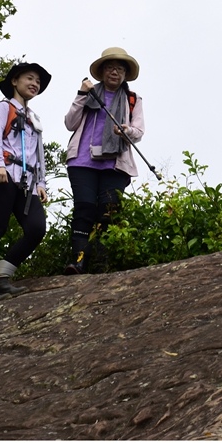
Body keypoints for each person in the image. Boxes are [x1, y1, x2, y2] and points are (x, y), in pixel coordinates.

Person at [63, 46, 145, 275]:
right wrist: (81, 94)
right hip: (82, 161)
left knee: (108, 212)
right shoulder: (89, 93)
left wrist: (126, 129)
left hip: (115, 165)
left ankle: (102, 264)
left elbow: (139, 131)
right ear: (102, 71)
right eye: (110, 68)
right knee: (85, 208)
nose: (115, 73)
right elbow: (70, 123)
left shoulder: (132, 99)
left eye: (120, 69)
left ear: (125, 74)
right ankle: (79, 261)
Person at [0, 62, 51, 303]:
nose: (34, 84)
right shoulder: (3, 108)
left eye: (37, 81)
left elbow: (38, 153)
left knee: (37, 228)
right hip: (3, 174)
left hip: (27, 182)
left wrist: (41, 182)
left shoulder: (33, 119)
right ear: (14, 82)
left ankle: (3, 276)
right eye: (29, 78)